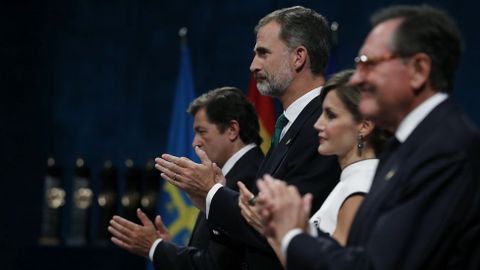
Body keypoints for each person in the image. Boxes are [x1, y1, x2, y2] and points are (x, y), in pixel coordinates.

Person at [256, 5, 480, 270]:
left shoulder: (445, 149)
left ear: (419, 69)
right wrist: (303, 229)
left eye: (368, 64)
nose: (358, 80)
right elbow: (361, 248)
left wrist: (292, 236)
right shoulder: (407, 146)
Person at [156, 6, 341, 269]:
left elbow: (283, 227)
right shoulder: (290, 126)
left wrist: (214, 193)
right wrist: (214, 197)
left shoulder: (321, 125)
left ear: (299, 57)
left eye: (263, 53)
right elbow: (256, 225)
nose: (253, 65)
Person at [238, 70, 389, 266]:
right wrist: (276, 230)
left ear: (364, 125)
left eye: (331, 115)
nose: (318, 124)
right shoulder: (351, 182)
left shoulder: (358, 188)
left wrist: (285, 233)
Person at [108, 87, 265, 270]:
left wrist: (155, 248)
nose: (195, 142)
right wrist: (170, 249)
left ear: (232, 130)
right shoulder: (232, 174)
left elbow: (213, 266)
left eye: (202, 131)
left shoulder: (248, 178)